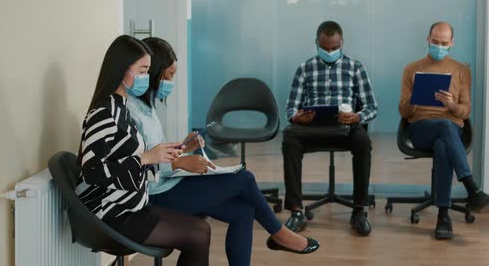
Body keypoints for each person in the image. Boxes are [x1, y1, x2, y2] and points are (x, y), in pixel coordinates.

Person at [126, 37, 320, 266]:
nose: (171, 82)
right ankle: (280, 234)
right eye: (168, 75)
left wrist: (183, 149)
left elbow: (156, 154)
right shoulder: (130, 112)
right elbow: (136, 166)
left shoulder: (146, 108)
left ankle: (278, 236)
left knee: (243, 212)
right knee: (244, 178)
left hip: (167, 185)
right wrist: (178, 163)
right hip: (155, 196)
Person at [76, 35, 211, 265]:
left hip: (133, 205)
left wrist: (162, 156)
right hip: (113, 214)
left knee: (201, 228)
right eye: (141, 71)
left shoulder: (122, 107)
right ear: (121, 69)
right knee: (198, 235)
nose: (146, 78)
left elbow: (129, 160)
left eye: (148, 71)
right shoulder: (104, 113)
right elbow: (92, 172)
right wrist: (146, 158)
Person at [399, 21, 489, 240]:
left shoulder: (461, 70)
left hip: (452, 130)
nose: (439, 46)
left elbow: (465, 112)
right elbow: (404, 112)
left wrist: (452, 106)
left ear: (451, 43)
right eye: (435, 42)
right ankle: (472, 189)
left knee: (444, 144)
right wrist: (414, 102)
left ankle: (443, 216)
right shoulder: (411, 69)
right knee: (443, 126)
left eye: (444, 43)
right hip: (420, 129)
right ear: (428, 39)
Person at [282, 21, 378, 236]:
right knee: (289, 138)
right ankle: (297, 211)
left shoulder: (356, 68)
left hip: (345, 126)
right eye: (325, 48)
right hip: (313, 128)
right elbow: (290, 108)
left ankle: (359, 211)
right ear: (317, 43)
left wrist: (357, 116)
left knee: (362, 142)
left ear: (342, 43)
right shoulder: (304, 69)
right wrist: (296, 117)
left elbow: (372, 106)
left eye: (334, 48)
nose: (330, 52)